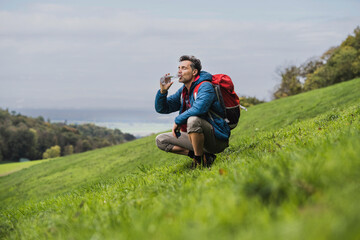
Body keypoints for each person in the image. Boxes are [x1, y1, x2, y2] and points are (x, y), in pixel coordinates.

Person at [155, 55, 230, 168]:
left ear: (194, 72)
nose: (179, 71)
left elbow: (199, 109)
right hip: (196, 138)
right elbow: (163, 108)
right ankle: (200, 156)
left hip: (216, 139)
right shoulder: (183, 91)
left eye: (184, 68)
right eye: (179, 68)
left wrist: (178, 120)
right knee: (161, 140)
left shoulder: (205, 86)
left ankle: (200, 162)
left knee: (193, 120)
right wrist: (162, 92)